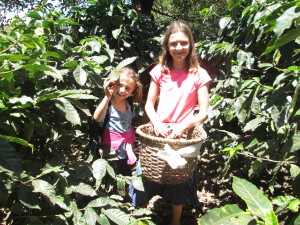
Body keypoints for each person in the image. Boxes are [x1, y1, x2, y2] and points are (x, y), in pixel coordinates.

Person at [129, 21, 212, 225]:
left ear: (191, 45)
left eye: (183, 43)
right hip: (158, 134)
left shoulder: (199, 75)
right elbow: (149, 104)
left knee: (179, 181)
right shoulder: (160, 71)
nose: (178, 48)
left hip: (183, 137)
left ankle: (175, 222)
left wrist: (183, 126)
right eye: (173, 44)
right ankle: (137, 217)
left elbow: (203, 112)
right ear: (166, 46)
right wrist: (156, 122)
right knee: (145, 176)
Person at [93, 67, 143, 176]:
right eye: (119, 85)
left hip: (125, 149)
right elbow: (97, 118)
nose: (122, 90)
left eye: (127, 88)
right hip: (109, 150)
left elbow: (128, 126)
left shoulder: (128, 104)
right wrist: (107, 96)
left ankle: (124, 192)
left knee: (125, 175)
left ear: (132, 90)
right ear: (113, 83)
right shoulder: (108, 104)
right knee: (111, 176)